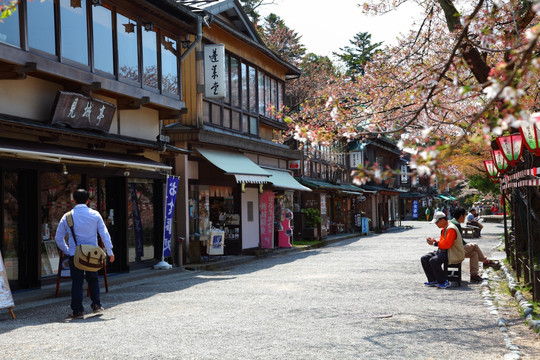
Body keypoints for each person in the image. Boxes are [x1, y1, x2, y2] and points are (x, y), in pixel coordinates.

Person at [55, 188, 115, 319]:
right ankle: (96, 305)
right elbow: (104, 234)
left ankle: (77, 310)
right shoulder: (95, 215)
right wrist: (110, 252)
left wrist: (68, 251)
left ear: (73, 200)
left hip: (75, 254)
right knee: (93, 279)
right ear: (88, 200)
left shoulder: (67, 216)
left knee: (77, 282)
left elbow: (58, 238)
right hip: (92, 254)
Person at [451, 207, 500, 282]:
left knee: (474, 254)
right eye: (464, 216)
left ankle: (474, 275)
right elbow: (459, 240)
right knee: (474, 245)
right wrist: (468, 244)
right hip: (456, 250)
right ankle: (485, 261)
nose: (465, 218)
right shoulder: (456, 224)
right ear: (461, 216)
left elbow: (459, 239)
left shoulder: (453, 222)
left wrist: (467, 243)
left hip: (456, 248)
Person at [421, 211, 465, 289]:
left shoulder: (451, 229)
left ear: (443, 220)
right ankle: (433, 280)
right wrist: (435, 241)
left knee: (433, 260)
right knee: (424, 258)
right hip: (445, 251)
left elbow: (447, 244)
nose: (436, 224)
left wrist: (434, 244)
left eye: (437, 222)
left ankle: (443, 281)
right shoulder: (445, 228)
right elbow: (443, 242)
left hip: (452, 253)